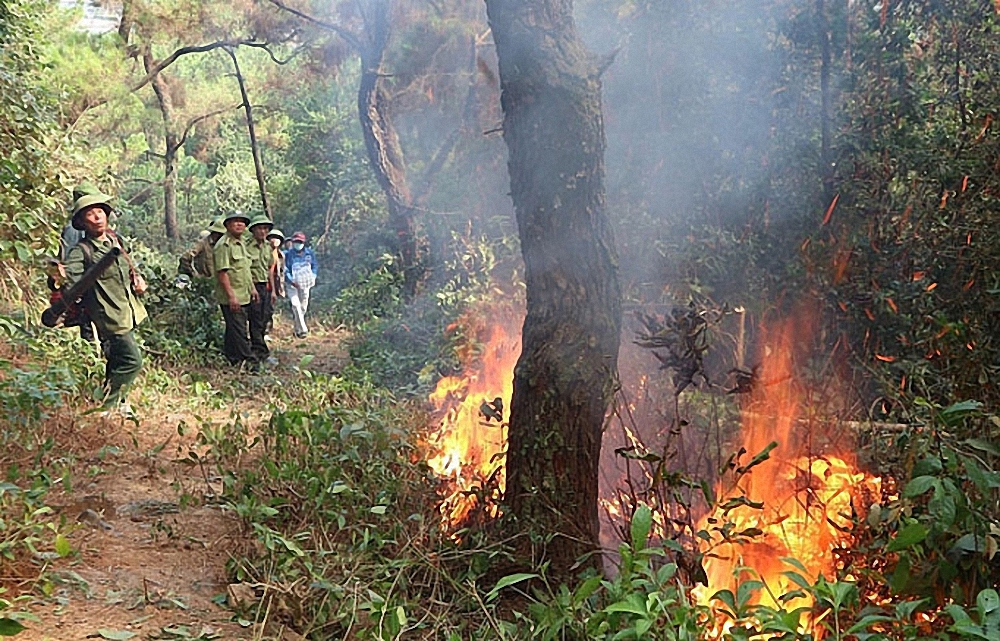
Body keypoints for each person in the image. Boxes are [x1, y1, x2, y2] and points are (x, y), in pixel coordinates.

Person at [64, 191, 148, 416]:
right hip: (108, 315)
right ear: (82, 223)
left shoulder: (114, 240)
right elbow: (69, 283)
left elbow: (129, 267)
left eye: (100, 212)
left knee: (117, 359)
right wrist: (58, 280)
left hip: (127, 308)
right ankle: (109, 406)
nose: (97, 217)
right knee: (133, 361)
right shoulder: (81, 251)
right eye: (90, 215)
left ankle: (120, 404)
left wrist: (138, 281)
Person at [213, 210, 258, 368]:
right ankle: (250, 362)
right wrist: (231, 296)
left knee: (234, 328)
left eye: (242, 222)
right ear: (227, 225)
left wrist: (252, 289)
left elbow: (245, 269)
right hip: (232, 296)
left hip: (243, 293)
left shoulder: (242, 243)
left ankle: (231, 358)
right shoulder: (224, 245)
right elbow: (222, 273)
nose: (240, 224)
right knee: (240, 330)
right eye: (235, 221)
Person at [247, 214, 276, 364]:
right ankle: (260, 351)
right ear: (253, 230)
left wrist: (273, 290)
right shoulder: (246, 246)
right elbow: (245, 269)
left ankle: (257, 345)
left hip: (265, 286)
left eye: (265, 229)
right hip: (252, 286)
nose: (262, 231)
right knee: (256, 318)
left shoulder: (267, 247)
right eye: (259, 228)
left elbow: (269, 268)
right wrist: (252, 289)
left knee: (265, 316)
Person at [285, 231, 317, 338]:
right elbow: (285, 270)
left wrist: (313, 276)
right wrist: (291, 280)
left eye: (300, 242)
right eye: (296, 242)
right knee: (295, 304)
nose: (298, 244)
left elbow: (314, 266)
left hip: (305, 284)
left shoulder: (310, 253)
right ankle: (303, 330)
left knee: (303, 306)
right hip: (292, 284)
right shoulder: (288, 254)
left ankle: (297, 329)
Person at [266, 228, 286, 337]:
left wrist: (280, 289)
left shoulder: (281, 255)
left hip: (274, 286)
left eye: (278, 238)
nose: (275, 240)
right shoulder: (264, 252)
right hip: (264, 285)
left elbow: (281, 273)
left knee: (270, 309)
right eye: (273, 238)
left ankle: (268, 330)